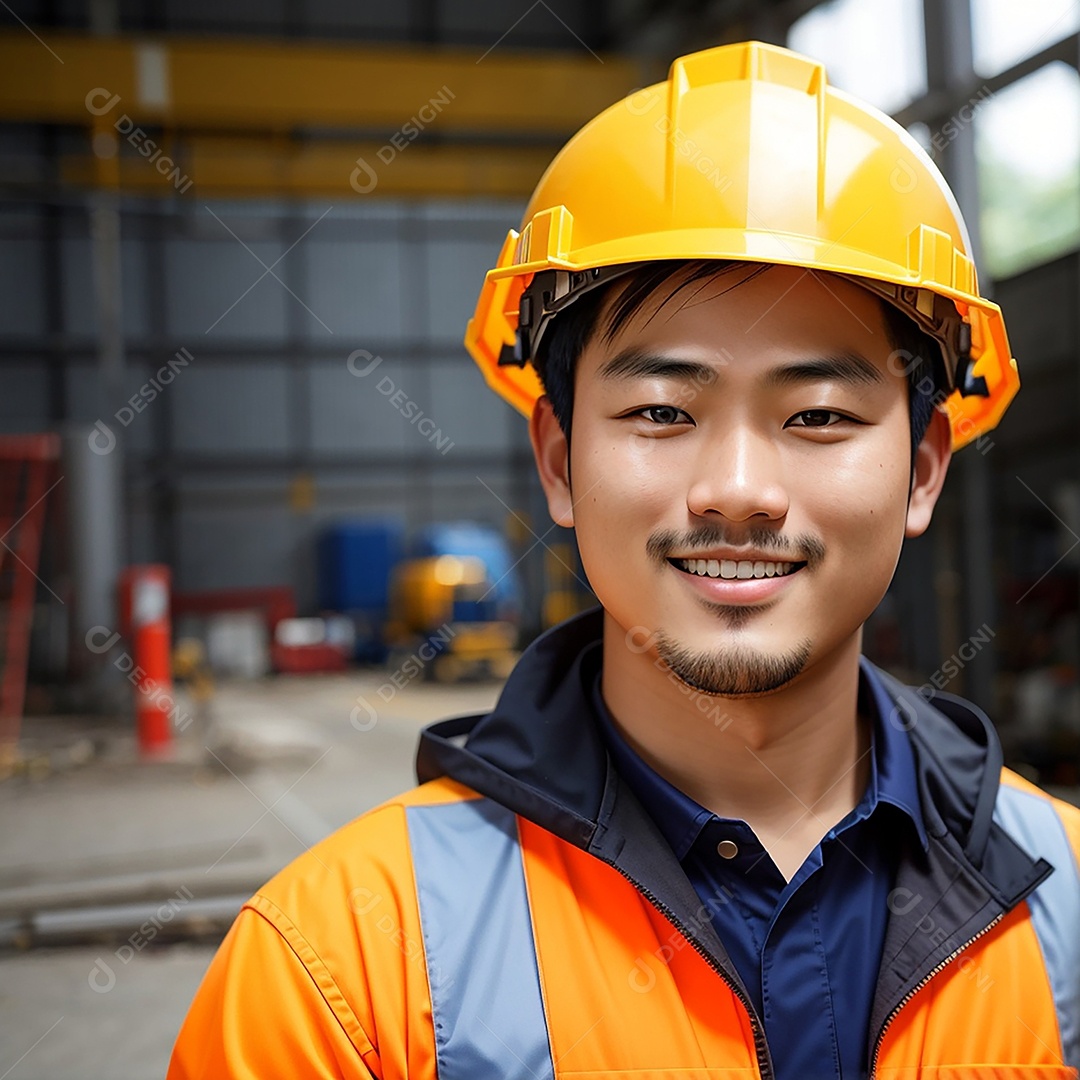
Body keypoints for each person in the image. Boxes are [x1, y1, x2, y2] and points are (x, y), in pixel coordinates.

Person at [168, 40, 1080, 1079]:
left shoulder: (1067, 905)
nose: (737, 487)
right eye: (661, 410)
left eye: (818, 413)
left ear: (922, 470)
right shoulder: (339, 973)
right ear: (559, 461)